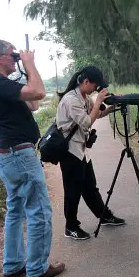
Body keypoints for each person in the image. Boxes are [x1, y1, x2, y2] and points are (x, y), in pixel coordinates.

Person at [0, 39, 65, 277]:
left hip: (10, 155)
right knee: (38, 210)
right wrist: (29, 63)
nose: (16, 57)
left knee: (16, 210)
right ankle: (37, 269)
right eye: (12, 55)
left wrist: (26, 70)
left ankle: (13, 265)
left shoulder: (0, 84)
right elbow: (39, 92)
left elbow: (33, 104)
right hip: (17, 155)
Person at [56, 65, 126, 240]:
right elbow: (87, 122)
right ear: (86, 82)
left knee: (89, 187)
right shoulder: (71, 100)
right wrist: (98, 100)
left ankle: (104, 216)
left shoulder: (83, 97)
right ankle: (70, 227)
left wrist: (113, 106)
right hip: (70, 152)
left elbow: (97, 114)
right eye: (96, 86)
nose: (97, 89)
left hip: (80, 150)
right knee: (73, 191)